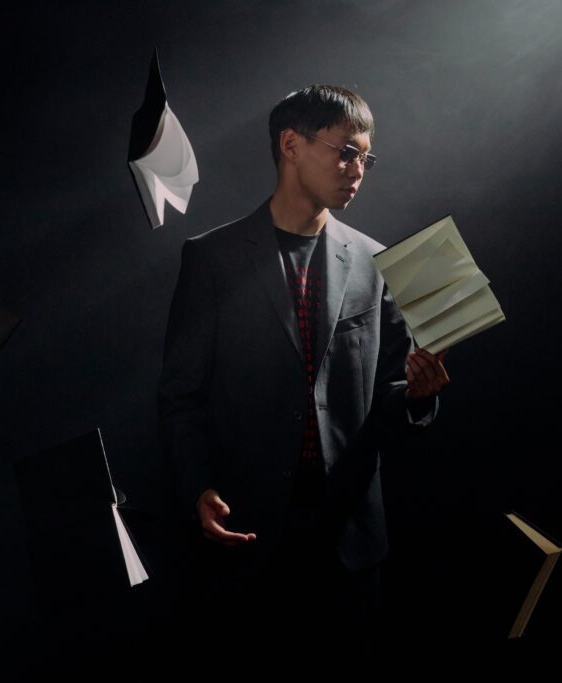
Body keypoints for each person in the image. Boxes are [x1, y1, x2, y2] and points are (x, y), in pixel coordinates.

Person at [157, 85, 449, 661]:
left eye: (366, 157)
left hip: (350, 538)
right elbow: (180, 396)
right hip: (249, 531)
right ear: (290, 144)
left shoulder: (376, 261)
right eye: (345, 152)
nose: (358, 169)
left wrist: (417, 395)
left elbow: (390, 391)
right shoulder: (212, 258)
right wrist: (198, 487)